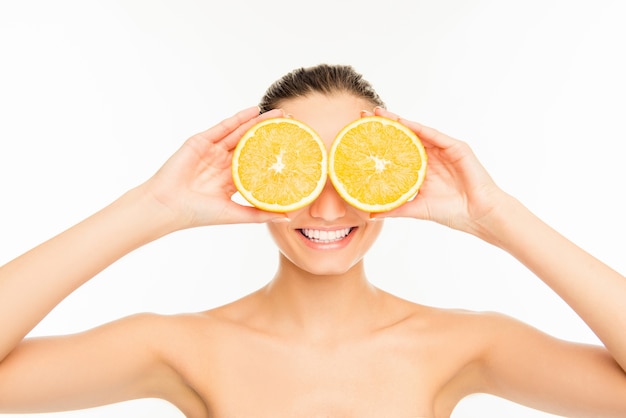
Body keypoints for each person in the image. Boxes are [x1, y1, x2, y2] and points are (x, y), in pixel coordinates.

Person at [0, 63, 625, 418]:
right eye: (299, 170)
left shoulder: (465, 343)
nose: (327, 204)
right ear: (253, 176)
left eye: (352, 170)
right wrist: (152, 207)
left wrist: (499, 216)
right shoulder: (182, 347)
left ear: (396, 175)